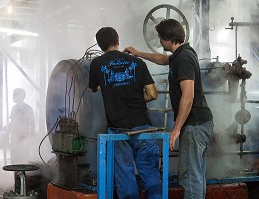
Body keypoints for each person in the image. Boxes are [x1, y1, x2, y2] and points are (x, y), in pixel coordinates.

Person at [124, 19, 214, 199]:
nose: (158, 41)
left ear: (167, 38)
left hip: (194, 124)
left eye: (160, 38)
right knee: (196, 176)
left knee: (190, 177)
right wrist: (138, 53)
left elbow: (188, 97)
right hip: (199, 123)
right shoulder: (181, 54)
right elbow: (164, 59)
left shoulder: (185, 58)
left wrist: (176, 129)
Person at [89, 27, 162, 199]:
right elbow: (152, 94)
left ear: (100, 46)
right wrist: (135, 98)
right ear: (118, 39)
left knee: (125, 179)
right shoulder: (137, 62)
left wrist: (112, 92)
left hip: (118, 130)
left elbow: (94, 88)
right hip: (144, 128)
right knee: (152, 179)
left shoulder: (97, 64)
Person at [7, 88, 35, 164]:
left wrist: (32, 136)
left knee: (23, 158)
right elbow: (12, 122)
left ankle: (23, 174)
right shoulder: (14, 108)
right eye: (13, 95)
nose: (13, 96)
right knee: (14, 159)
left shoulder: (28, 109)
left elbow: (32, 124)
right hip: (15, 136)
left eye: (15, 94)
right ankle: (16, 175)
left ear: (21, 96)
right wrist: (7, 134)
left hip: (24, 136)